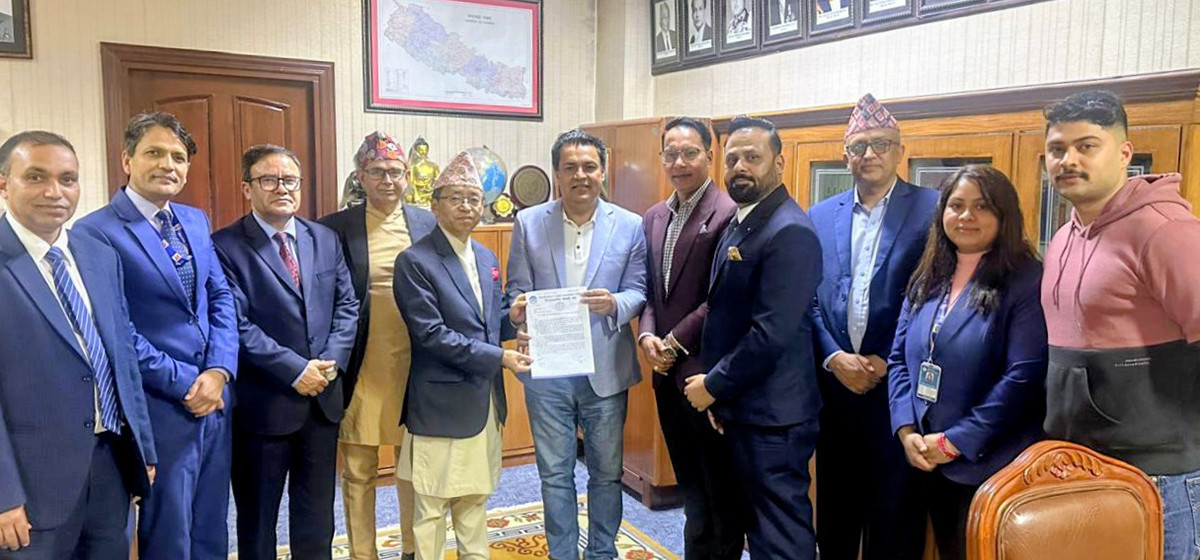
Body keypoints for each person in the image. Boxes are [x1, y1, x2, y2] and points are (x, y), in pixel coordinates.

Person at [1039, 91, 1200, 560]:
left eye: (1086, 146)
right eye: (1057, 149)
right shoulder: (1063, 236)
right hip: (1078, 466)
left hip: (1159, 477)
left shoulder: (1166, 230)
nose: (1068, 160)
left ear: (1125, 152)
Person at [76, 112, 238, 560]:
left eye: (178, 157)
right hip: (159, 404)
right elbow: (115, 328)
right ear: (127, 160)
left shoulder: (194, 219)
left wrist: (219, 371)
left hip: (215, 399)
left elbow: (220, 296)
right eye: (155, 153)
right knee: (169, 529)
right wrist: (187, 383)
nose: (168, 165)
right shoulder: (95, 232)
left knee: (211, 522)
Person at [0, 131, 157, 559]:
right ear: (4, 184)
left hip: (110, 465)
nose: (55, 192)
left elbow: (122, 359)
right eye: (36, 177)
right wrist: (3, 493)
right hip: (29, 485)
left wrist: (142, 449)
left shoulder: (98, 255)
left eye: (67, 179)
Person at [888, 165, 1047, 560]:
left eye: (981, 206)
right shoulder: (929, 273)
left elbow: (1023, 376)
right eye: (956, 205)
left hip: (990, 462)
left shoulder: (1026, 279)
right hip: (927, 456)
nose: (966, 216)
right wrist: (906, 430)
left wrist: (956, 441)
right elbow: (899, 358)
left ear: (1004, 215)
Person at [506, 129, 647, 560]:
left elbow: (639, 290)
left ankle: (602, 553)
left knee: (606, 474)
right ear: (557, 173)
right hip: (548, 372)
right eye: (570, 167)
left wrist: (615, 303)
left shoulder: (630, 224)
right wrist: (517, 309)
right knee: (554, 474)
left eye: (589, 167)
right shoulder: (529, 222)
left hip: (606, 369)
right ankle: (562, 554)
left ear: (603, 171)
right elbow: (517, 289)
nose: (580, 175)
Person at [685, 116, 822, 559]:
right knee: (756, 530)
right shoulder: (743, 220)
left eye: (753, 157)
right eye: (733, 159)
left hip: (774, 417)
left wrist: (713, 385)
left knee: (780, 537)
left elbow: (771, 334)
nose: (741, 167)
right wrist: (723, 398)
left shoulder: (789, 230)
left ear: (779, 163)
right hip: (744, 407)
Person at [212, 145, 359, 560]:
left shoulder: (324, 238)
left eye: (290, 180)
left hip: (321, 402)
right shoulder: (224, 246)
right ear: (247, 188)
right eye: (268, 179)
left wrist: (329, 365)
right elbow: (236, 324)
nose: (282, 188)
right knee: (258, 522)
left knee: (317, 518)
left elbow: (347, 306)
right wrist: (295, 370)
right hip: (264, 405)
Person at [808, 93, 938, 560]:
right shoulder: (820, 214)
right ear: (845, 156)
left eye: (881, 144)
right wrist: (833, 356)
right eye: (858, 146)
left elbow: (933, 296)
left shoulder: (932, 209)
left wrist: (889, 359)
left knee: (894, 516)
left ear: (899, 151)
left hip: (897, 389)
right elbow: (809, 299)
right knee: (836, 512)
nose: (869, 154)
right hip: (836, 387)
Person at [393, 151, 532, 560]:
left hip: (484, 400)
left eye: (474, 198)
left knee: (474, 501)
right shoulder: (415, 261)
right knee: (431, 507)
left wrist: (512, 319)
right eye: (455, 198)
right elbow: (431, 335)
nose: (467, 206)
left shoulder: (486, 257)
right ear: (435, 206)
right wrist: (501, 358)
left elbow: (488, 323)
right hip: (441, 404)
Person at [319, 132, 436, 560]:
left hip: (415, 359)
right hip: (361, 359)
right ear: (360, 177)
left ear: (406, 176)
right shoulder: (334, 228)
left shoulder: (427, 223)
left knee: (414, 466)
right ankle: (362, 553)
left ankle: (412, 549)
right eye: (377, 172)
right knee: (358, 469)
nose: (387, 180)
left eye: (395, 172)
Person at [639, 117, 744, 560]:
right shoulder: (655, 216)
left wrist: (673, 342)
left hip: (707, 373)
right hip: (665, 375)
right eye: (671, 154)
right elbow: (651, 290)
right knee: (692, 491)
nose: (679, 162)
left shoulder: (729, 213)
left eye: (689, 153)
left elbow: (722, 297)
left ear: (709, 155)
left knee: (721, 495)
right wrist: (647, 335)